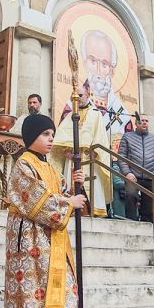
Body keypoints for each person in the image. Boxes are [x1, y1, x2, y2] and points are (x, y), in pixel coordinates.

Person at [3, 113, 86, 308]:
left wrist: (77, 186)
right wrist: (69, 202)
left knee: (64, 292)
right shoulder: (24, 164)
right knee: (31, 298)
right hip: (28, 240)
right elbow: (36, 200)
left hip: (51, 240)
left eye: (52, 134)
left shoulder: (51, 168)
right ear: (31, 136)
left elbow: (64, 195)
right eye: (45, 134)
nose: (51, 139)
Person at [53, 82, 110, 217]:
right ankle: (70, 208)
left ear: (87, 95)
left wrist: (95, 150)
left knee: (91, 184)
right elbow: (62, 135)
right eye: (74, 96)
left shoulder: (96, 114)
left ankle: (92, 210)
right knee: (70, 182)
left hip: (89, 157)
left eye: (80, 95)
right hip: (73, 157)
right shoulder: (70, 115)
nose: (77, 99)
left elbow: (100, 136)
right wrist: (66, 149)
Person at [116, 114, 154, 222]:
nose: (144, 122)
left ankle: (147, 227)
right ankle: (131, 223)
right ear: (136, 123)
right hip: (133, 176)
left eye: (146, 121)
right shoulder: (127, 137)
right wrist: (127, 173)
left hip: (150, 178)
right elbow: (121, 157)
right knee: (130, 197)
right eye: (142, 120)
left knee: (149, 206)